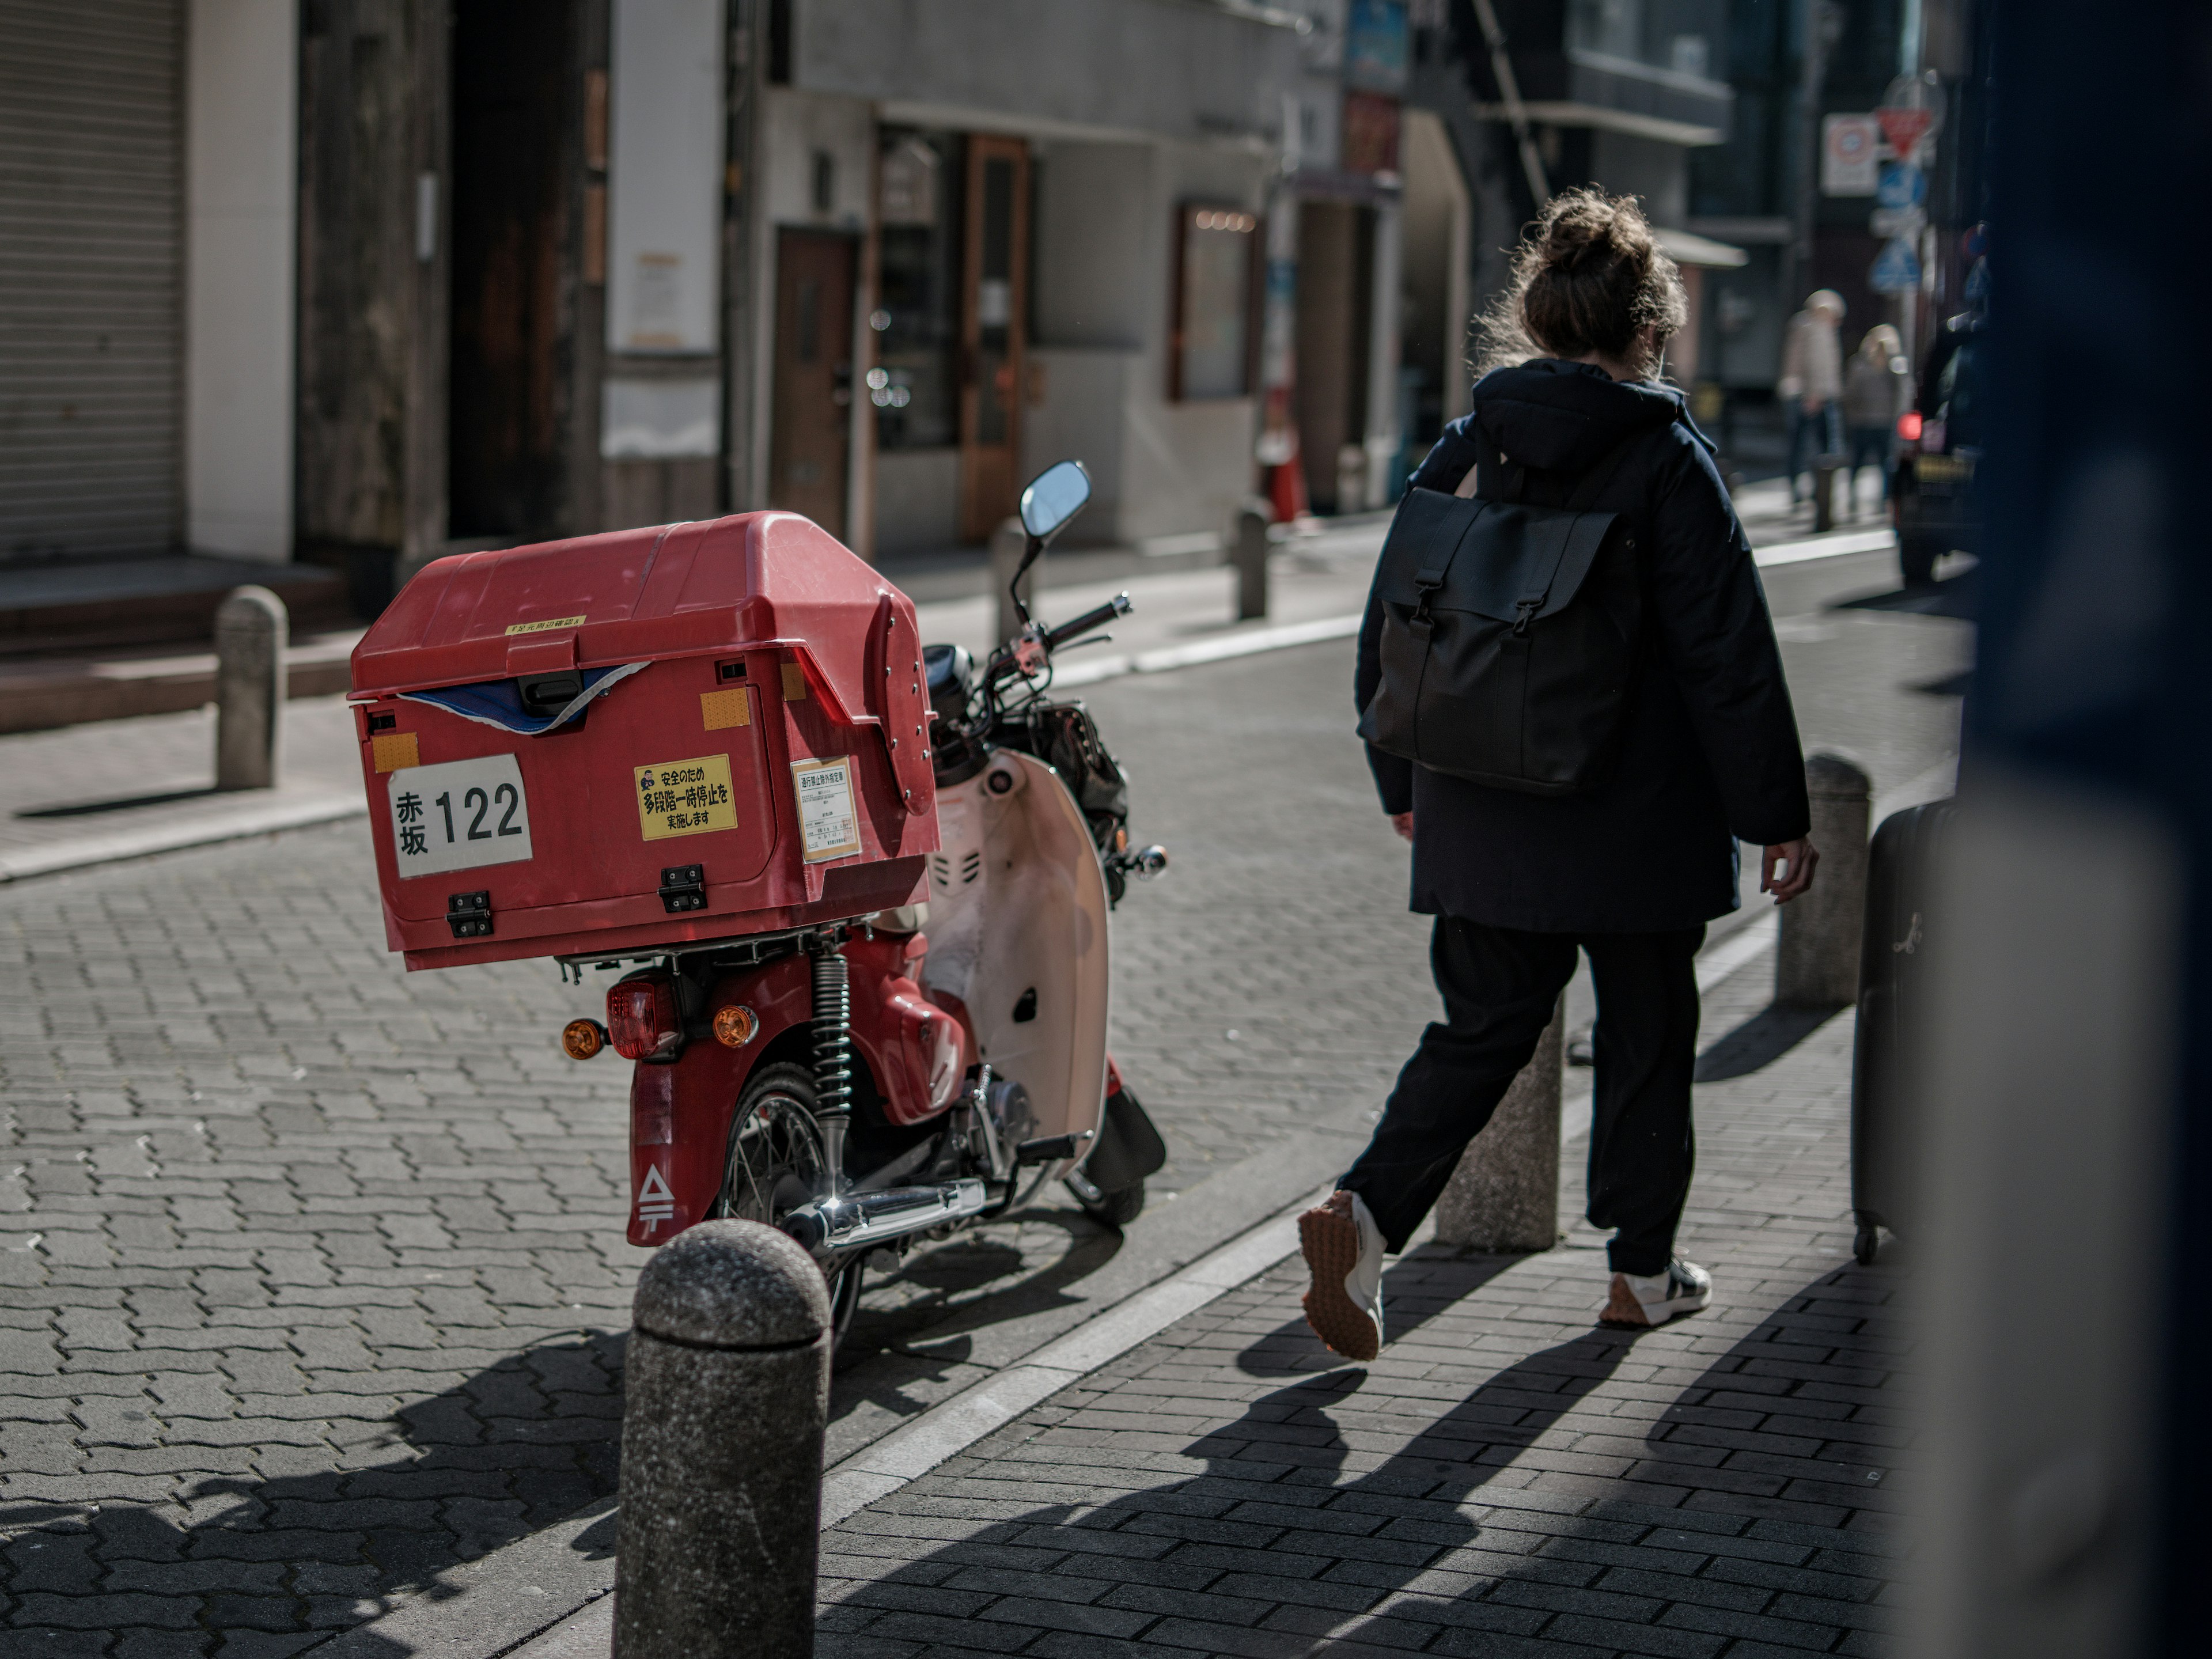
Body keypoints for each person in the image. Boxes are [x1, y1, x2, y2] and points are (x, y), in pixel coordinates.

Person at [1304, 189, 1817, 1361]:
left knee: (1483, 1026)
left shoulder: (1470, 442)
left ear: (1539, 320)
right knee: (1646, 1032)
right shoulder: (1666, 459)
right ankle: (1641, 1271)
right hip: (1634, 812)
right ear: (1649, 329)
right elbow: (1725, 656)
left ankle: (1366, 1211)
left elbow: (1398, 615)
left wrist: (1400, 774)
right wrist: (1775, 815)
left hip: (1483, 796)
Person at [1779, 290, 1846, 505]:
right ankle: (1806, 490)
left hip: (1819, 394)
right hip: (1809, 395)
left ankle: (1816, 490)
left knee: (1817, 446)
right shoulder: (1810, 327)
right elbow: (1806, 363)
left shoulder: (1823, 329)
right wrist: (1812, 395)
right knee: (1806, 445)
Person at [1842, 324, 1910, 513]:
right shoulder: (1860, 364)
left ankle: (1885, 499)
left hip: (1885, 422)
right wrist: (1852, 414)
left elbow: (1902, 392)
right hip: (1862, 422)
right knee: (1857, 461)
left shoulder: (1896, 365)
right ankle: (1852, 496)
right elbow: (1850, 392)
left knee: (1886, 464)